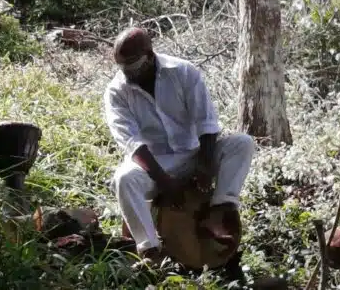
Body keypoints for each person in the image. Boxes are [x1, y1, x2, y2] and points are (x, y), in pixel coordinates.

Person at [103, 27, 256, 264]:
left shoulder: (183, 72)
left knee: (242, 143)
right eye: (124, 68)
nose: (129, 73)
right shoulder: (116, 92)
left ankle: (219, 210)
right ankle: (150, 250)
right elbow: (133, 144)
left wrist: (205, 166)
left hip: (193, 154)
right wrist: (164, 181)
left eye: (134, 66)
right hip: (154, 163)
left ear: (149, 56)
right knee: (124, 179)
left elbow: (206, 123)